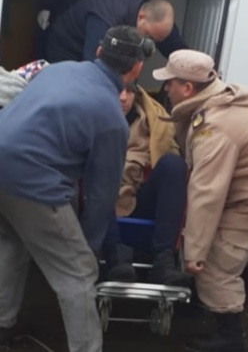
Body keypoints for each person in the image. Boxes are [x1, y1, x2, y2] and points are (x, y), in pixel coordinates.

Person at [0, 26, 152, 351]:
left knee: (12, 244)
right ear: (135, 69)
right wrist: (90, 246)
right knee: (78, 273)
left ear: (98, 52)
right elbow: (101, 193)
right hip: (33, 183)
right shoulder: (111, 116)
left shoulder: (59, 69)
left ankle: (3, 326)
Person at [152, 49, 248, 352]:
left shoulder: (215, 128)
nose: (165, 88)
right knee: (199, 242)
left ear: (187, 88)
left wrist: (194, 253)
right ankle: (197, 305)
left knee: (215, 262)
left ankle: (230, 337)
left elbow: (206, 193)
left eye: (170, 82)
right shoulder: (216, 107)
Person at [102, 82, 190, 287]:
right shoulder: (89, 117)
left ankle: (164, 260)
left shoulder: (153, 119)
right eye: (117, 91)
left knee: (173, 165)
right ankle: (115, 254)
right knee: (99, 168)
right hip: (100, 202)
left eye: (129, 91)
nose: (123, 97)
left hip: (137, 196)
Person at [45, 0, 187, 62]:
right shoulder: (105, 20)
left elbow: (177, 49)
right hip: (65, 49)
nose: (150, 42)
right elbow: (93, 67)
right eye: (149, 36)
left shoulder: (156, 20)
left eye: (157, 40)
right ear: (141, 17)